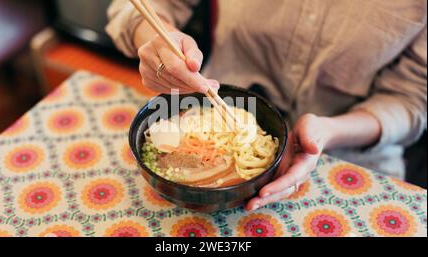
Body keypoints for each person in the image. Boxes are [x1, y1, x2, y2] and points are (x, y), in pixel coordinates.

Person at [106, 0, 427, 211]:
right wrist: (157, 39)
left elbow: (413, 97)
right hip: (209, 114)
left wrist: (328, 132)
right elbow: (138, 6)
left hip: (347, 156)